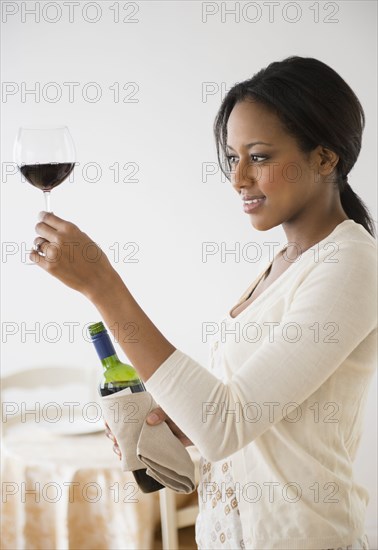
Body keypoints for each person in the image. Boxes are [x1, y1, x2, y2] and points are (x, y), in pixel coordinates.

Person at [31, 56, 376, 550]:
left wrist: (102, 285)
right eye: (232, 157)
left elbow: (225, 426)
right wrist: (178, 419)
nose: (238, 179)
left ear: (325, 159)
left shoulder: (350, 265)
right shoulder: (286, 263)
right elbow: (240, 411)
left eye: (258, 156)